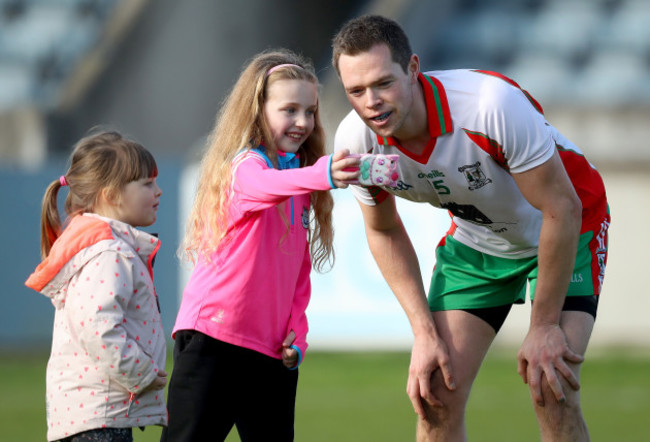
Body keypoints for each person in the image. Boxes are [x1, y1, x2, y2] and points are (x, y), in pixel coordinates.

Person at [331, 14, 610, 442]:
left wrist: (544, 326)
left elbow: (561, 208)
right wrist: (423, 333)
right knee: (435, 395)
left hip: (568, 226)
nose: (372, 102)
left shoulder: (489, 105)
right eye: (356, 91)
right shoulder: (357, 142)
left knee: (550, 387)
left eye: (383, 83)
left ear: (412, 68)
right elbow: (383, 230)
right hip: (480, 242)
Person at [161, 49, 358, 442]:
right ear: (257, 109)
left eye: (310, 111)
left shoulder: (300, 181)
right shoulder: (243, 167)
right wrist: (323, 173)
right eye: (289, 109)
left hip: (271, 355)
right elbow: (265, 186)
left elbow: (299, 276)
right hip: (213, 341)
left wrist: (296, 336)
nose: (302, 122)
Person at [25, 130, 168, 442]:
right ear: (111, 195)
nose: (158, 191)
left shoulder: (104, 248)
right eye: (147, 183)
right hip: (98, 420)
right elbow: (98, 327)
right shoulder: (108, 253)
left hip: (93, 417)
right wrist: (142, 373)